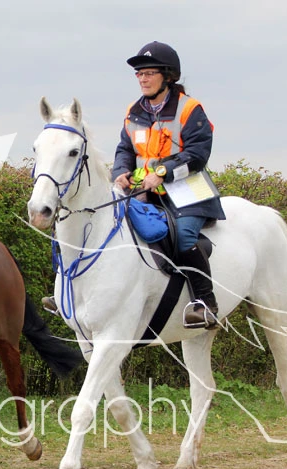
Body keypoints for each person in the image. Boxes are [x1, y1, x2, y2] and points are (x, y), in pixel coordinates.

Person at [113, 41, 225, 329]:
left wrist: (163, 173)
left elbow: (198, 154)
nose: (143, 79)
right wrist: (121, 171)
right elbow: (125, 148)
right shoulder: (133, 110)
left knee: (184, 236)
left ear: (168, 76)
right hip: (145, 189)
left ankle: (205, 303)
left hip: (188, 188)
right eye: (139, 74)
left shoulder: (190, 109)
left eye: (149, 73)